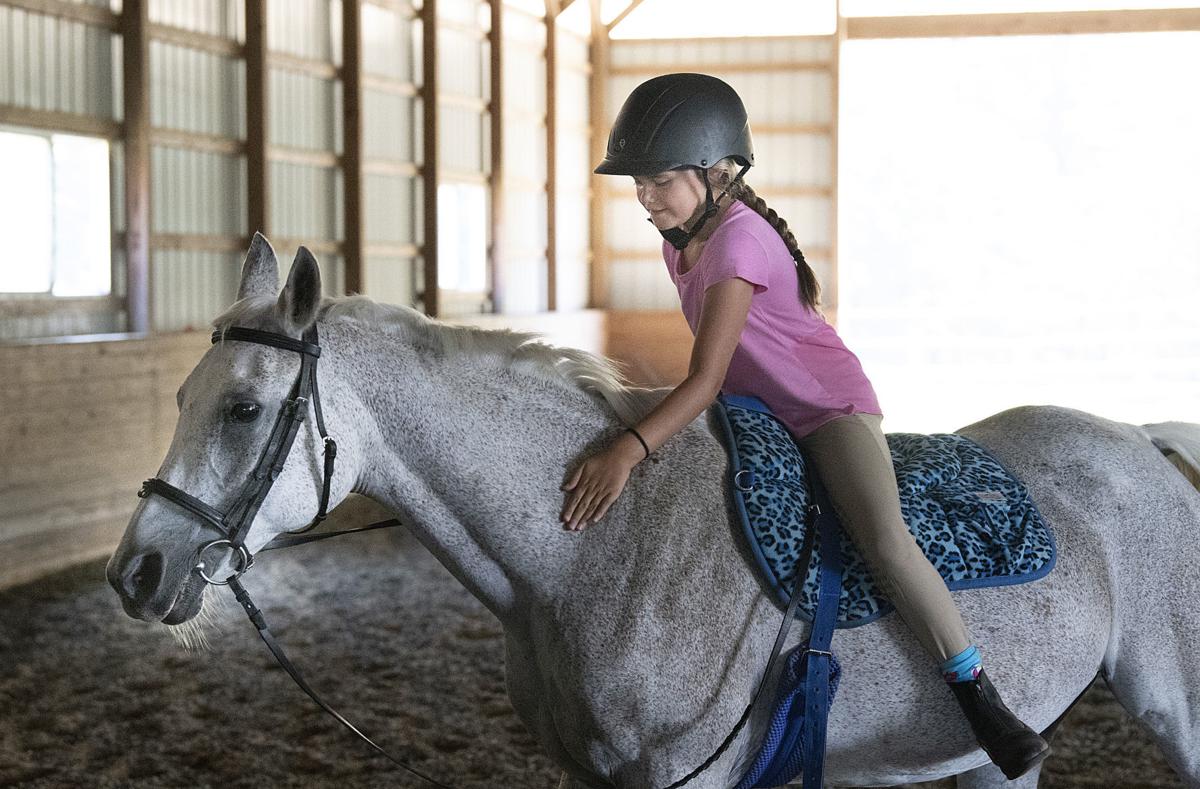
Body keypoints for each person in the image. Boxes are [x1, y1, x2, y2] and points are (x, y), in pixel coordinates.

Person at [559, 72, 1049, 779]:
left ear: (718, 172)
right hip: (757, 411)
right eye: (638, 183)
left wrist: (629, 448)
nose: (645, 196)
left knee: (882, 536)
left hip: (825, 409)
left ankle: (978, 693)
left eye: (659, 180)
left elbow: (703, 378)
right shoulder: (679, 241)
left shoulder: (736, 242)